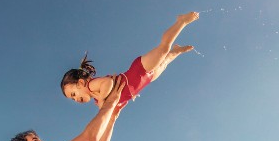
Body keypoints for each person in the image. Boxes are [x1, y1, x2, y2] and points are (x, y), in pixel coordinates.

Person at [60, 11, 199, 110]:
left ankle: (181, 21)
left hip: (138, 71)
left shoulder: (92, 86)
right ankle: (176, 50)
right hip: (144, 80)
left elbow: (107, 82)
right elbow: (118, 98)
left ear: (81, 82)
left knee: (162, 49)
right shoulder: (96, 97)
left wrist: (103, 99)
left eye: (73, 94)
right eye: (72, 99)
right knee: (164, 62)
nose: (75, 99)